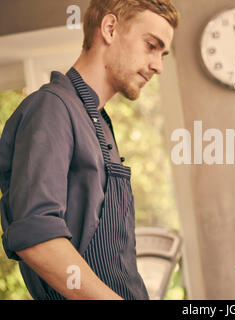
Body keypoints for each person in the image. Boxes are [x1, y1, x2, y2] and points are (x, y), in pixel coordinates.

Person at [0, 0, 178, 300]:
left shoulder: (96, 121)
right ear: (109, 28)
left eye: (163, 54)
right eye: (151, 45)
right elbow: (38, 239)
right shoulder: (52, 108)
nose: (158, 66)